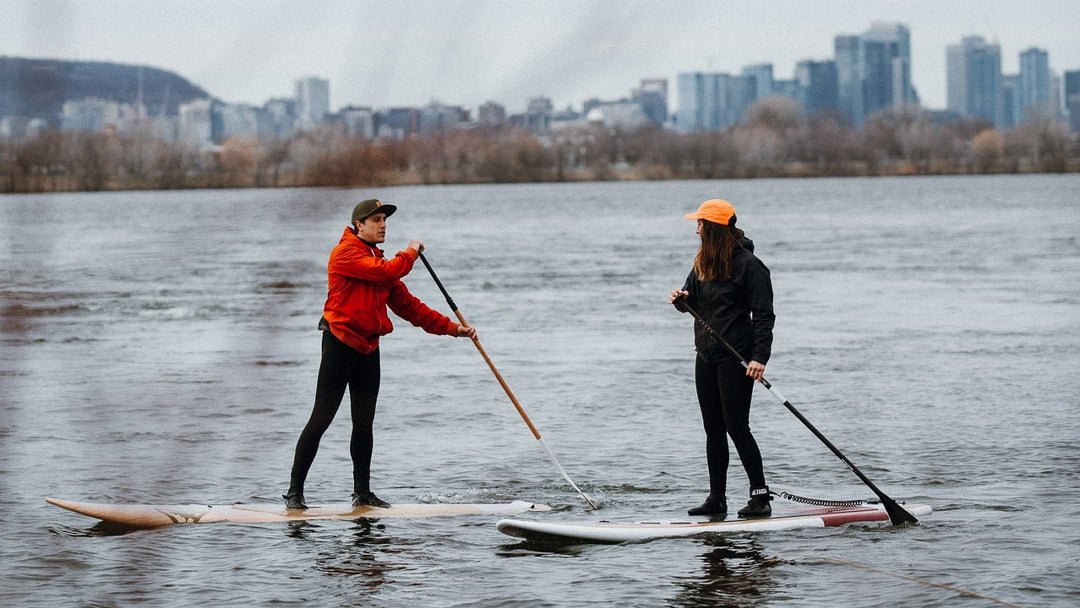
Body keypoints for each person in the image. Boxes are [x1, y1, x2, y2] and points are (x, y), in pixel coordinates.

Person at [283, 198, 476, 510]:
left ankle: (363, 493)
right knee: (321, 418)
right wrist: (411, 250)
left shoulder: (380, 266)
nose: (383, 225)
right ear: (359, 225)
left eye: (384, 219)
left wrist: (453, 329)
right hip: (339, 344)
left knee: (364, 423)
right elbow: (392, 268)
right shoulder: (345, 254)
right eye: (375, 220)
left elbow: (410, 308)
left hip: (369, 349)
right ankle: (294, 493)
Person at [669, 198, 776, 518]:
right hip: (706, 355)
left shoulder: (749, 265)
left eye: (700, 224)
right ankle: (717, 498)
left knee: (736, 426)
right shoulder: (702, 262)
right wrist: (681, 300)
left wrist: (760, 357)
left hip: (737, 357)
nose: (696, 230)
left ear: (714, 228)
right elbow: (693, 301)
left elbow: (765, 315)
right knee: (713, 428)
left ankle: (760, 497)